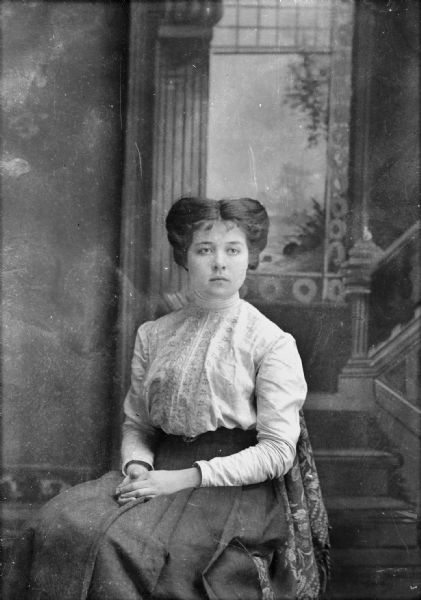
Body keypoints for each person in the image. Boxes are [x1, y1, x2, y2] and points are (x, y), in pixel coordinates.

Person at [3, 197, 330, 600]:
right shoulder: (155, 334)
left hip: (231, 492)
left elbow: (279, 450)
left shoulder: (270, 342)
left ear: (251, 258)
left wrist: (182, 479)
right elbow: (139, 424)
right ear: (184, 257)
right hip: (157, 473)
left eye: (233, 250)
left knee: (119, 546)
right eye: (204, 250)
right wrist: (138, 466)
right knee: (56, 523)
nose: (219, 263)